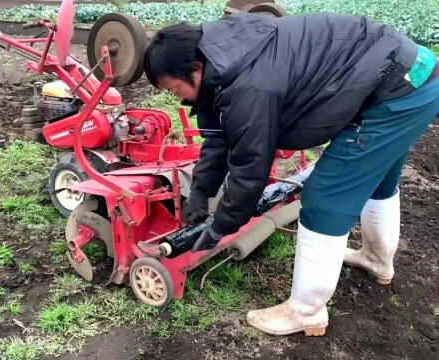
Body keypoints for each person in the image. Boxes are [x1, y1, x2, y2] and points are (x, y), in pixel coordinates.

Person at [143, 12, 439, 336]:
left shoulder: (249, 85)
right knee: (378, 177)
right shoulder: (224, 53)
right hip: (415, 74)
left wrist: (220, 228)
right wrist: (200, 193)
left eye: (175, 90)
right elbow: (219, 137)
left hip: (397, 90)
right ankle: (376, 260)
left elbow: (250, 167)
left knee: (324, 197)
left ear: (195, 69)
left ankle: (306, 310)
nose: (180, 101)